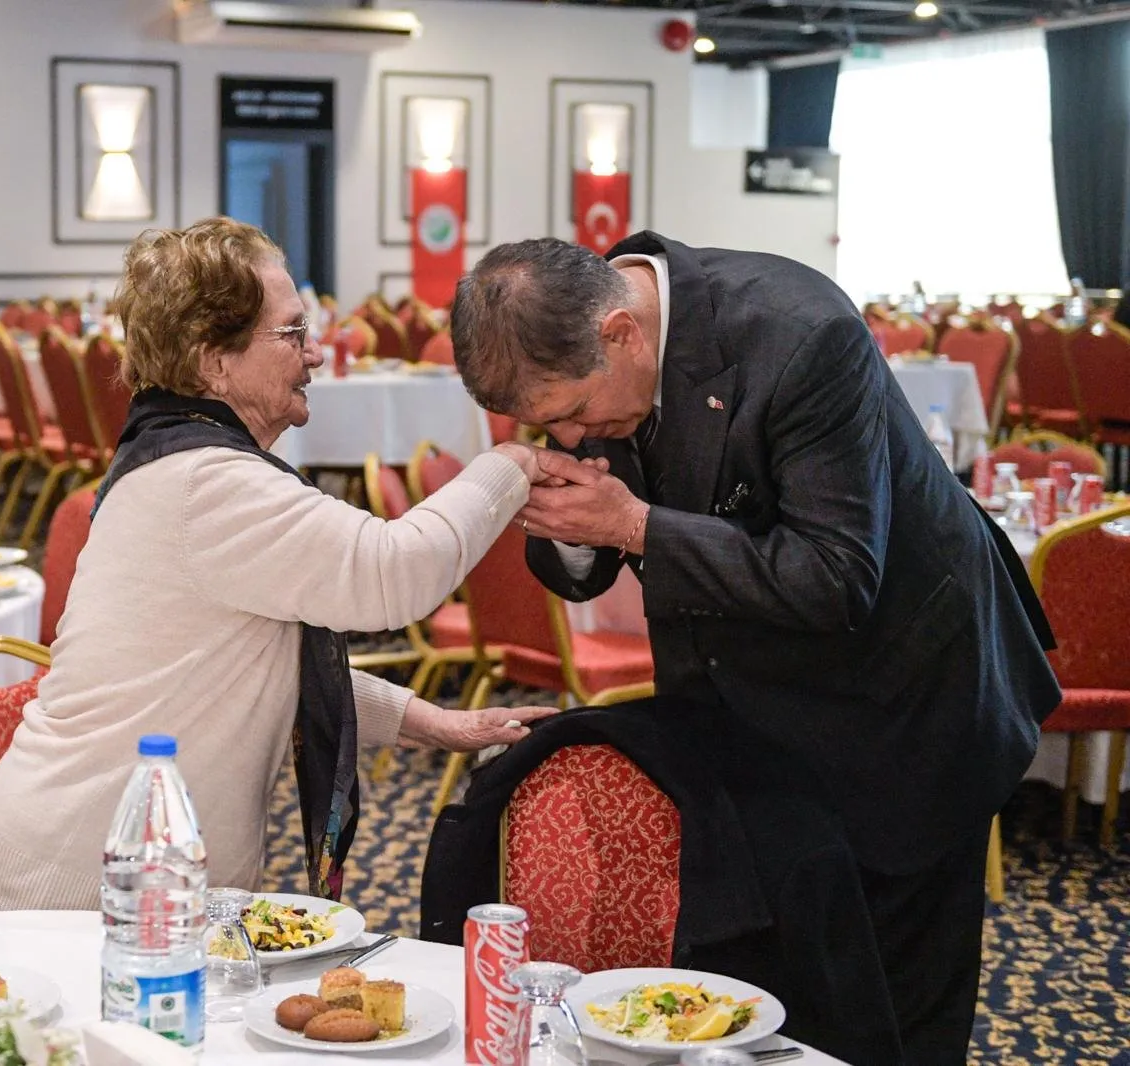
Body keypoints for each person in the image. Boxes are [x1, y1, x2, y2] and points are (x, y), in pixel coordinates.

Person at [448, 232, 1060, 1064]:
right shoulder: (586, 351)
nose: (576, 435)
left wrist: (630, 524)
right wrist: (579, 526)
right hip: (745, 714)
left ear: (624, 333)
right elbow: (581, 568)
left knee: (895, 1012)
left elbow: (837, 576)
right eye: (550, 426)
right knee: (776, 998)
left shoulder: (803, 335)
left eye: (575, 414)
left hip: (908, 705)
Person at [0, 218, 580, 910]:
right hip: (81, 886)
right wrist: (513, 462)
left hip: (114, 868)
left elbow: (258, 665)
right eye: (291, 333)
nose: (314, 355)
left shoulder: (178, 458)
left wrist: (431, 723)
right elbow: (395, 574)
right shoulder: (210, 484)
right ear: (212, 359)